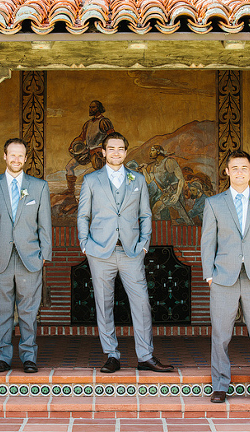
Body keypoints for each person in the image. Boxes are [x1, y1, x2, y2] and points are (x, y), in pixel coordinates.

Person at [76, 132, 174, 373]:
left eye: (121, 148)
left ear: (125, 152)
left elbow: (145, 215)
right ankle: (112, 355)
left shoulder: (138, 180)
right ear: (103, 152)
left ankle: (146, 356)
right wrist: (85, 245)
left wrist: (143, 244)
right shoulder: (91, 180)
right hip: (100, 252)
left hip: (131, 251)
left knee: (141, 304)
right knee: (104, 303)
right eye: (111, 149)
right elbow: (83, 215)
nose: (116, 152)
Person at [200, 150, 250, 404]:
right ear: (227, 171)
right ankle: (220, 385)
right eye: (235, 168)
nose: (240, 172)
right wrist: (209, 274)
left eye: (244, 167)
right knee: (221, 335)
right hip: (223, 277)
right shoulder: (214, 203)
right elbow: (207, 241)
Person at [0, 138, 51, 374]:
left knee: (29, 312)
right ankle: (3, 356)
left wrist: (44, 255)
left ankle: (29, 356)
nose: (17, 159)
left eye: (21, 155)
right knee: (2, 311)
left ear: (26, 158)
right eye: (13, 155)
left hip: (30, 258)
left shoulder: (38, 187)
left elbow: (45, 225)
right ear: (4, 156)